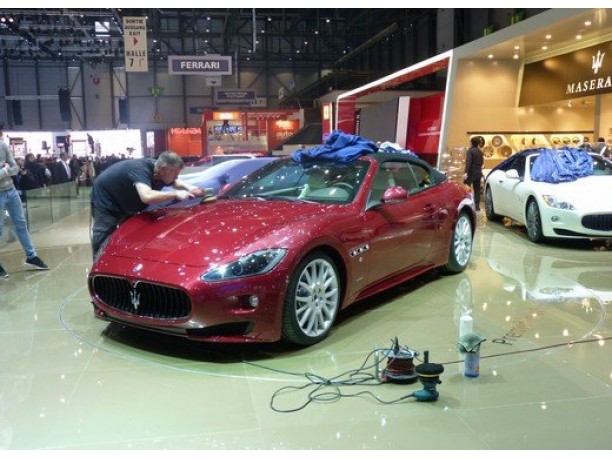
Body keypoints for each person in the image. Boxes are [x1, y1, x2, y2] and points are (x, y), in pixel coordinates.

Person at [90, 151, 207, 261]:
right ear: (163, 169)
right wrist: (175, 194)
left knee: (128, 232)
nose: (176, 176)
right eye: (175, 173)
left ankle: (121, 263)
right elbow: (146, 196)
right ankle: (99, 266)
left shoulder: (160, 172)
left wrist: (191, 188)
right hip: (107, 198)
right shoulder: (141, 169)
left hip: (125, 198)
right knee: (104, 233)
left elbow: (175, 182)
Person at [0, 124, 49, 278]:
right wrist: (5, 169)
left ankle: (31, 256)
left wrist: (5, 169)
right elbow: (10, 168)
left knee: (21, 223)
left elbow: (16, 167)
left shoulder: (3, 146)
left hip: (11, 190)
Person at [464, 136, 484, 211]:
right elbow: (482, 162)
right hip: (478, 172)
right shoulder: (480, 151)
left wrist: (466, 173)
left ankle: (467, 204)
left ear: (472, 143)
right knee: (477, 189)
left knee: (466, 188)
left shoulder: (470, 151)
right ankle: (477, 207)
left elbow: (468, 163)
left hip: (471, 172)